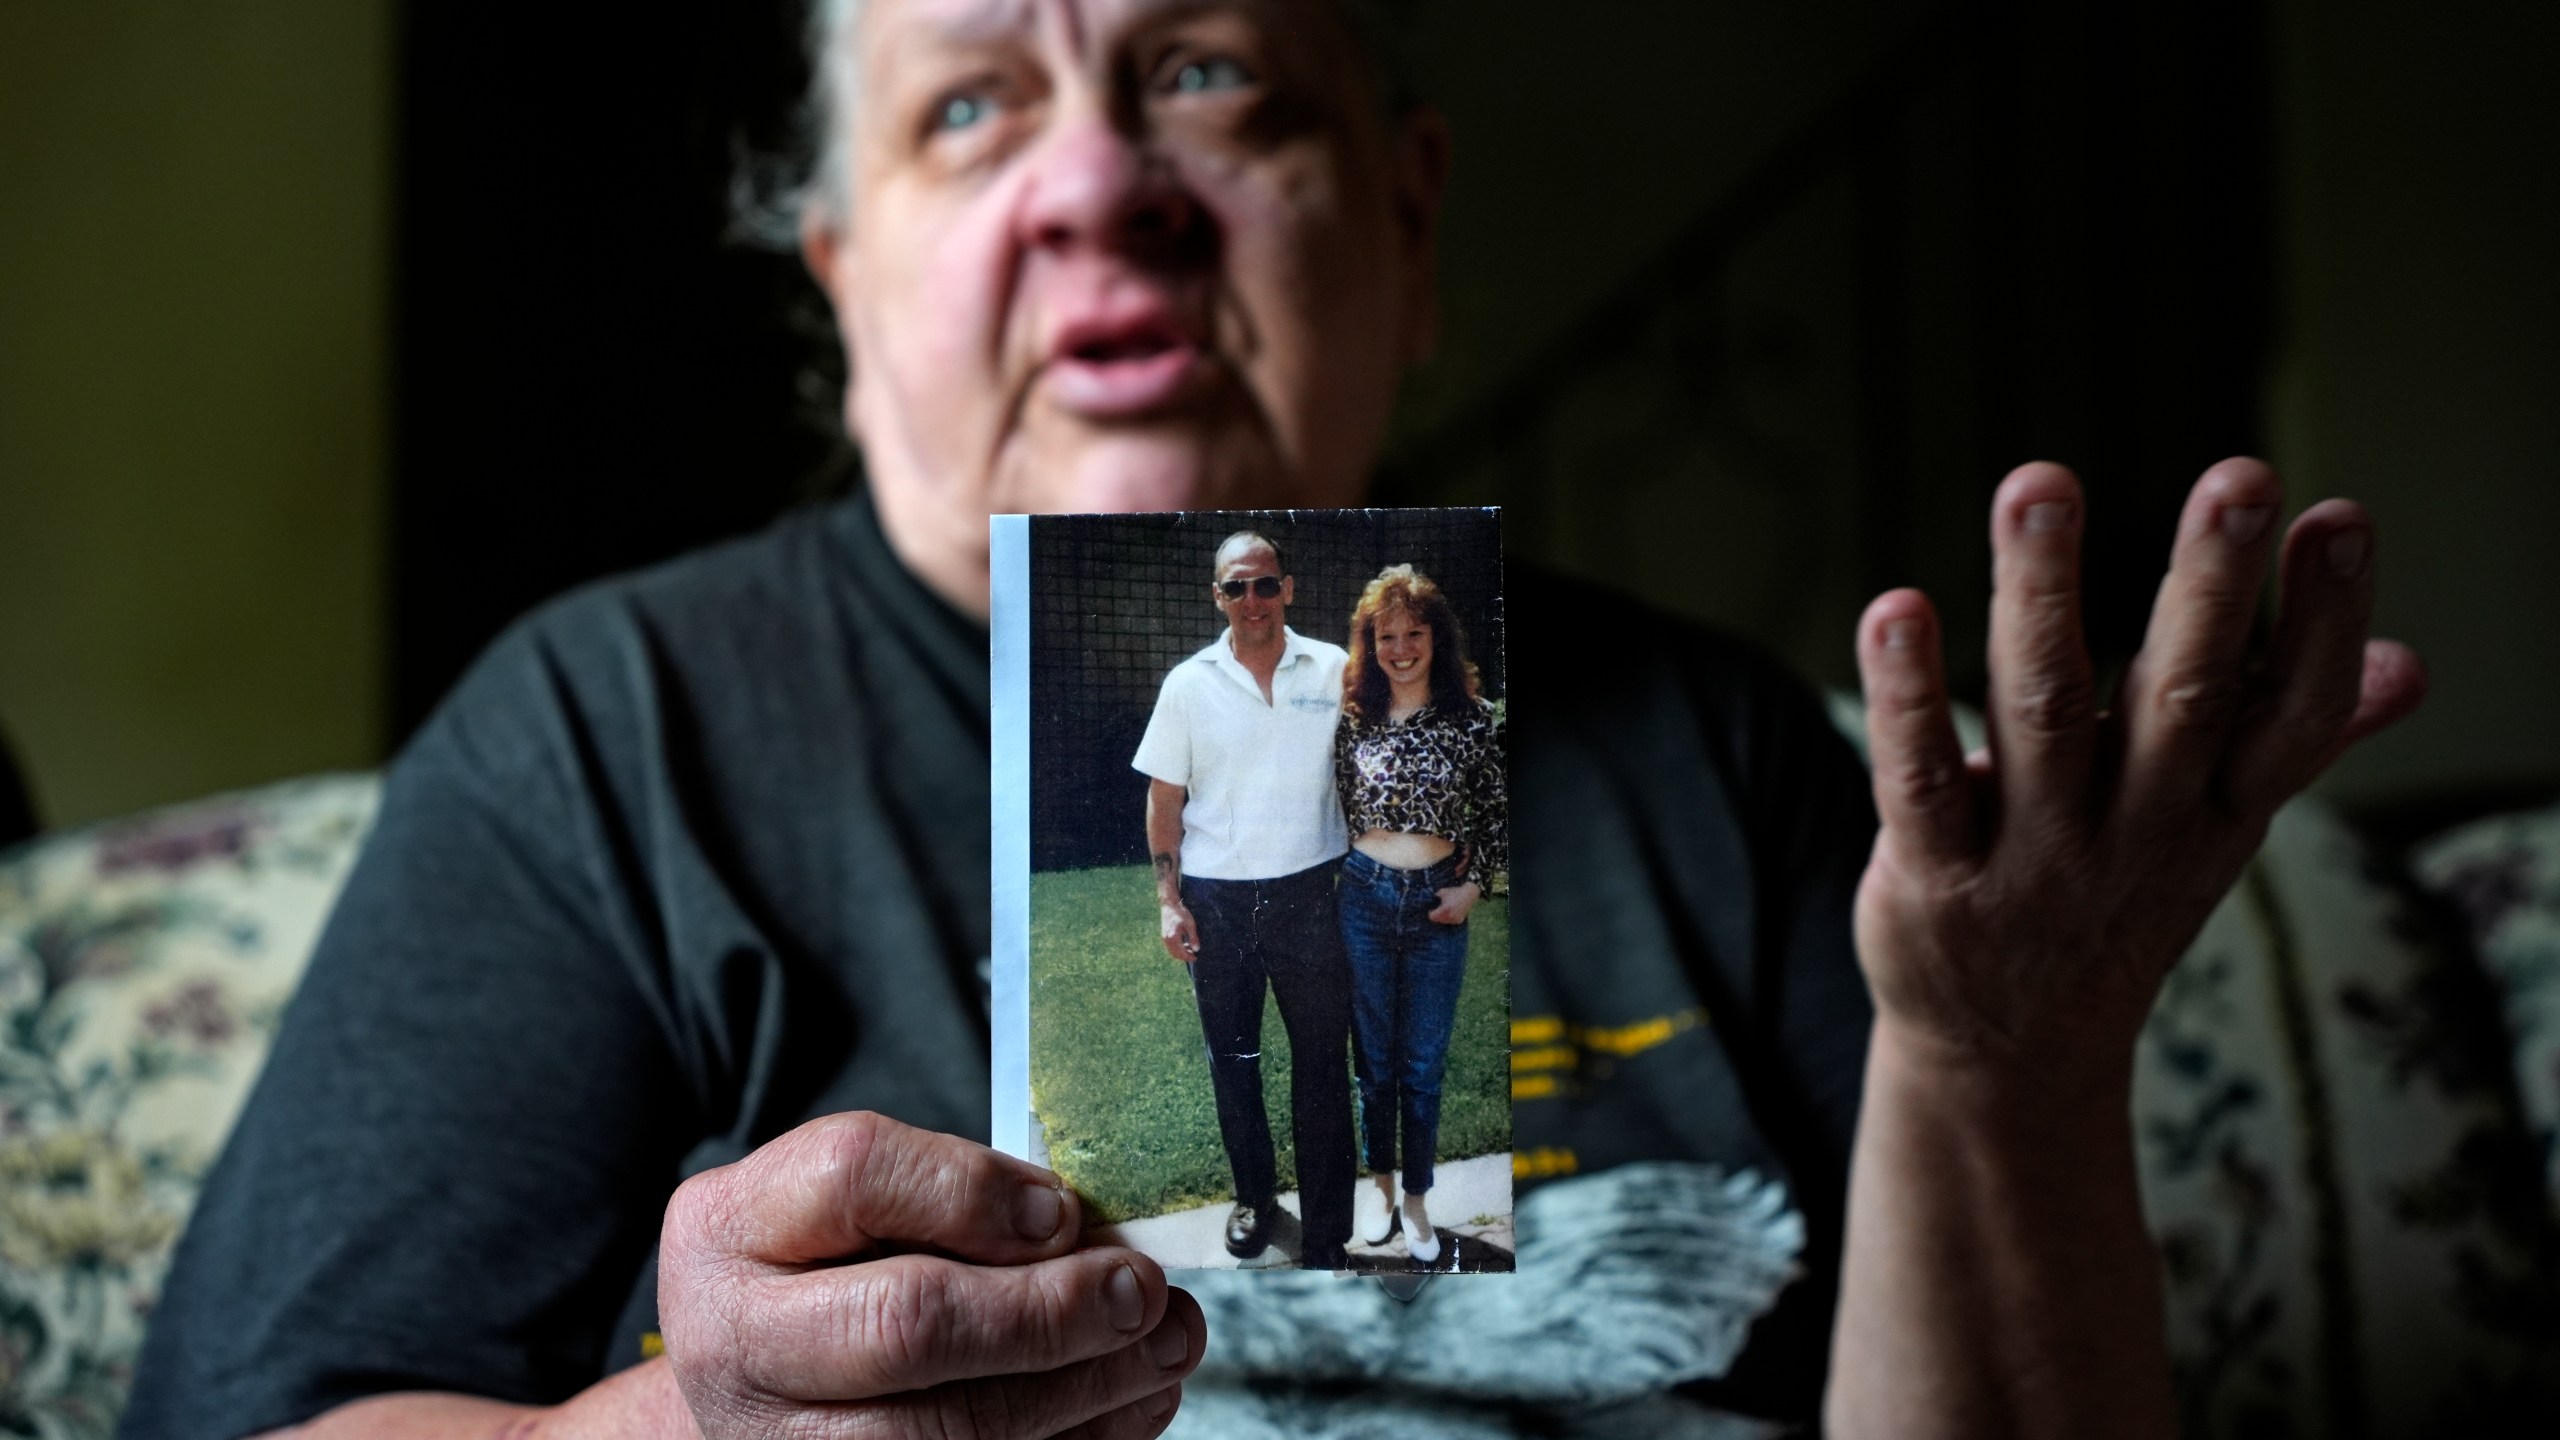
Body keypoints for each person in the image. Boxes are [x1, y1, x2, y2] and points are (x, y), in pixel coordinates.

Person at [118, 0, 2425, 1437]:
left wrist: (2001, 1065)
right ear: (843, 293)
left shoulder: (1713, 752)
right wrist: (691, 1437)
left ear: (1405, 223)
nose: (1100, 184)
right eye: (966, 110)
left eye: (1204, 74)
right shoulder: (611, 732)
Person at [1130, 530, 1356, 1269]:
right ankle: (1254, 1199)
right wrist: (1171, 899)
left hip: (1312, 898)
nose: (1252, 601)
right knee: (1234, 1061)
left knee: (1323, 1064)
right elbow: (1165, 801)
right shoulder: (1188, 684)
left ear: (1288, 588)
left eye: (1265, 585)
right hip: (1218, 904)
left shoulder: (1335, 668)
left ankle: (1327, 1235)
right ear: (1217, 596)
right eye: (1237, 587)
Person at [1331, 564, 1505, 1266]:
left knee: (1423, 1067)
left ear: (1438, 637)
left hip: (1439, 908)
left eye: (1414, 633)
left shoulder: (1471, 719)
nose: (1400, 648)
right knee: (1373, 1065)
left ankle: (1418, 1202)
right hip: (1365, 903)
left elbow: (1496, 814)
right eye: (1386, 636)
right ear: (1369, 645)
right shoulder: (1353, 721)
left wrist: (1474, 889)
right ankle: (1379, 1192)